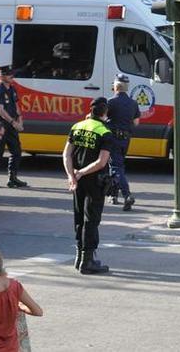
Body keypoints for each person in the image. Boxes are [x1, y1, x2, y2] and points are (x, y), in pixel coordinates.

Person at [63, 97, 115, 274]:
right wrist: (82, 172)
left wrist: (72, 175)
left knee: (79, 217)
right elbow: (102, 162)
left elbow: (66, 154)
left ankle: (79, 257)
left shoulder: (77, 127)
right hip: (94, 181)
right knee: (91, 220)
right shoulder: (104, 132)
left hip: (77, 180)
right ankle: (87, 261)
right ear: (105, 112)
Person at [0, 65, 27, 189]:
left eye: (12, 74)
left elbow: (16, 106)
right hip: (1, 125)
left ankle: (12, 178)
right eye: (9, 74)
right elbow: (0, 110)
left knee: (16, 151)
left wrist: (20, 120)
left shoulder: (12, 88)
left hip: (11, 125)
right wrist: (13, 122)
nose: (12, 76)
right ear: (1, 76)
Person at [105, 74, 140, 211]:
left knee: (115, 167)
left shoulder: (110, 102)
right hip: (126, 139)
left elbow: (102, 117)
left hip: (112, 138)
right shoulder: (133, 103)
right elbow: (136, 122)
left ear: (115, 86)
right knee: (118, 166)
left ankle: (126, 195)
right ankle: (113, 195)